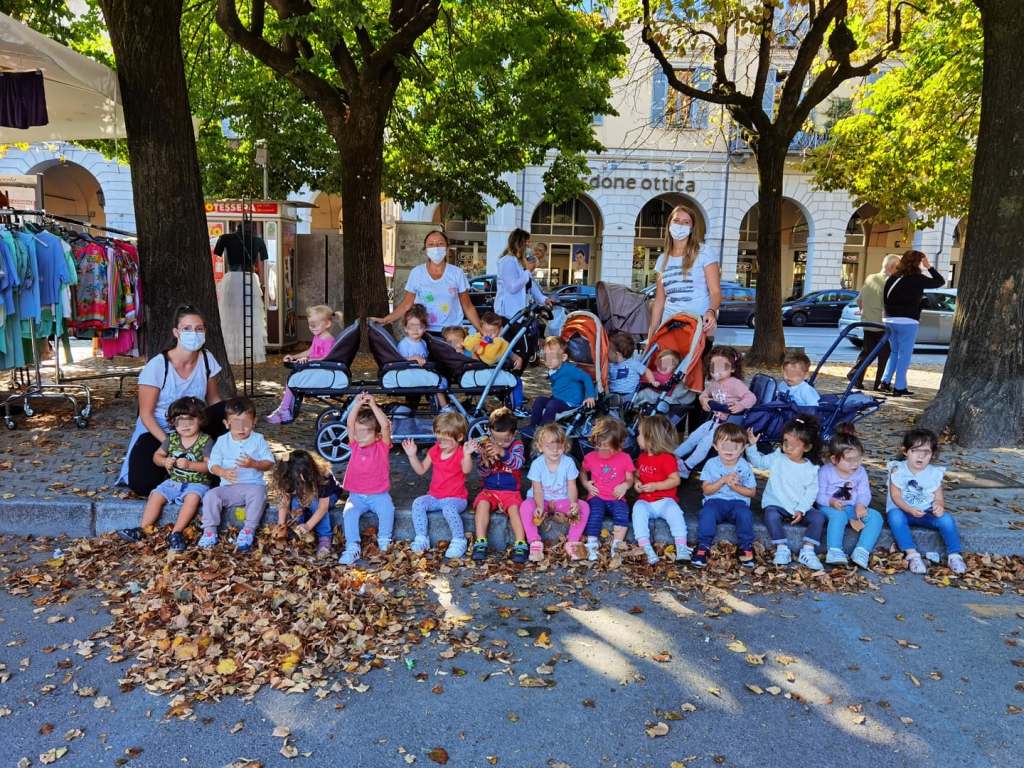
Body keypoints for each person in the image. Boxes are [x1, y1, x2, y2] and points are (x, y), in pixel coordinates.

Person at [118, 304, 225, 498]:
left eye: (199, 328)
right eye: (187, 329)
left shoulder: (207, 359)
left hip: (195, 426)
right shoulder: (158, 366)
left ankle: (216, 468)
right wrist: (170, 443)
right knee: (142, 485)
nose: (194, 333)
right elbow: (146, 414)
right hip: (160, 431)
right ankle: (174, 475)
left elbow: (214, 399)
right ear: (176, 332)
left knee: (227, 410)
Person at [116, 396, 213, 553]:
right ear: (173, 422)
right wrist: (164, 461)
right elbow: (157, 456)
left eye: (190, 420)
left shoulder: (205, 441)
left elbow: (210, 466)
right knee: (156, 495)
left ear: (200, 420)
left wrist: (191, 465)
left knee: (192, 498)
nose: (185, 425)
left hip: (197, 482)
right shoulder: (172, 439)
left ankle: (177, 532)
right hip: (174, 481)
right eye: (179, 421)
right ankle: (143, 529)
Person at [745, 416, 824, 570]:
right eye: (785, 442)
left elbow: (811, 492)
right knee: (770, 514)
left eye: (793, 446)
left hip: (799, 506)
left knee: (819, 517)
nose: (787, 448)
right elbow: (759, 463)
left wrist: (801, 509)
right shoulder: (777, 458)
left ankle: (808, 550)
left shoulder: (811, 468)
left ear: (807, 448)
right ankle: (781, 548)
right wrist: (752, 446)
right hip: (777, 504)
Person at [199, 397, 276, 552]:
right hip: (229, 488)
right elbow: (212, 464)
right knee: (211, 495)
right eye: (236, 424)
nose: (241, 429)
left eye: (246, 423)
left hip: (252, 486)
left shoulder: (258, 439)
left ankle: (248, 530)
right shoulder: (222, 441)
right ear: (226, 424)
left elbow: (270, 463)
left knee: (259, 494)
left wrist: (254, 464)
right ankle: (209, 531)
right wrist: (222, 472)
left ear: (254, 422)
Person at [886, 428, 966, 575]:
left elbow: (938, 497)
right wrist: (909, 509)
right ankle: (912, 554)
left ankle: (954, 555)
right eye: (915, 450)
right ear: (905, 451)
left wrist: (939, 505)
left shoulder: (933, 473)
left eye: (926, 452)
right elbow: (895, 496)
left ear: (933, 454)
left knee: (946, 520)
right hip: (903, 511)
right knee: (894, 517)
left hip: (926, 513)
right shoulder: (897, 470)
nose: (920, 456)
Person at [370, 230, 482, 335]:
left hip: (452, 333)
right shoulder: (416, 273)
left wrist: (481, 330)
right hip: (423, 332)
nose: (436, 248)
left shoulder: (457, 273)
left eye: (440, 244)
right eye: (431, 244)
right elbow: (406, 304)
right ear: (426, 249)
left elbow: (468, 306)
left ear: (447, 247)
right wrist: (386, 320)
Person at [646, 203, 722, 350]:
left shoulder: (704, 252)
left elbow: (715, 292)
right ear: (669, 224)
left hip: (697, 325)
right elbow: (660, 301)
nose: (680, 225)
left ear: (692, 228)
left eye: (686, 222)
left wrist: (711, 311)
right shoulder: (662, 259)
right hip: (669, 326)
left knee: (694, 364)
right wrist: (652, 334)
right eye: (676, 221)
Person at [674, 346, 756, 478]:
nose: (717, 371)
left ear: (732, 369)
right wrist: (704, 400)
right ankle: (673, 456)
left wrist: (741, 405)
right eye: (714, 367)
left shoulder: (735, 384)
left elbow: (751, 397)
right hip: (714, 421)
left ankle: (687, 466)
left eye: (722, 367)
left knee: (705, 443)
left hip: (727, 425)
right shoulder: (714, 383)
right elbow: (704, 394)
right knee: (693, 437)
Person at [403, 412, 472, 559]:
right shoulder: (435, 450)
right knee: (418, 503)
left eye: (446, 440)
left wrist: (467, 455)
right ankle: (422, 538)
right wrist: (412, 455)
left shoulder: (461, 453)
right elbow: (421, 470)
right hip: (435, 496)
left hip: (456, 498)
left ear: (460, 437)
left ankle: (459, 540)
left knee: (448, 509)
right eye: (439, 439)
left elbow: (467, 470)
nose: (442, 443)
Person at [519, 423, 590, 562]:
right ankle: (534, 542)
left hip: (562, 500)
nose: (555, 450)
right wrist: (539, 506)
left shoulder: (568, 462)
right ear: (540, 447)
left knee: (584, 506)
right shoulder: (537, 464)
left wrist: (573, 503)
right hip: (541, 500)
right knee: (526, 506)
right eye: (549, 446)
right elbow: (537, 489)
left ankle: (572, 541)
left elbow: (571, 486)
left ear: (565, 446)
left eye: (559, 446)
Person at [338, 394, 395, 566]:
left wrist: (373, 405)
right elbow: (349, 424)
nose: (359, 436)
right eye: (357, 432)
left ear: (377, 435)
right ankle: (352, 546)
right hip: (356, 496)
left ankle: (384, 540)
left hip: (379, 495)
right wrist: (356, 404)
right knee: (349, 513)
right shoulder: (355, 444)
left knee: (387, 510)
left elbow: (385, 425)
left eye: (365, 432)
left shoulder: (382, 446)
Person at [816, 423, 883, 569]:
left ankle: (862, 550)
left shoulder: (861, 472)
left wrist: (861, 504)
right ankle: (834, 550)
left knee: (876, 517)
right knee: (839, 516)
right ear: (834, 459)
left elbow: (864, 492)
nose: (855, 464)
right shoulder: (825, 471)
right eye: (849, 460)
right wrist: (831, 502)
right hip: (829, 508)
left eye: (858, 459)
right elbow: (819, 495)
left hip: (852, 507)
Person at [466, 408, 529, 564]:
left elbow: (518, 463)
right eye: (496, 439)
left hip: (511, 491)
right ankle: (481, 541)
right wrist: (485, 462)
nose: (500, 443)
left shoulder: (517, 446)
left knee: (515, 510)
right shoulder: (487, 445)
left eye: (505, 440)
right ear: (490, 433)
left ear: (513, 434)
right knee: (482, 504)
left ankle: (520, 543)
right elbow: (483, 473)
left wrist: (502, 452)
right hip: (490, 490)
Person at [880, 250, 945, 397]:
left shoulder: (893, 278)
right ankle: (899, 387)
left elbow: (885, 298)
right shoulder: (918, 279)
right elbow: (940, 281)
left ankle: (885, 381)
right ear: (918, 263)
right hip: (907, 320)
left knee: (894, 352)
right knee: (904, 355)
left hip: (889, 319)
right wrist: (929, 267)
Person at [692, 423, 757, 568]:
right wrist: (722, 480)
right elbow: (706, 490)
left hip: (738, 502)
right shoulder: (711, 464)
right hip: (715, 501)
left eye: (735, 446)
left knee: (745, 514)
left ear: (743, 448)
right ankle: (703, 546)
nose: (730, 450)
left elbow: (752, 492)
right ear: (715, 446)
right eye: (725, 446)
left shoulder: (744, 466)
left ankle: (746, 546)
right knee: (707, 513)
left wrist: (735, 486)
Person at [267, 304, 342, 424]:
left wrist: (309, 361)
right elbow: (310, 352)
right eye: (310, 325)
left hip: (322, 372)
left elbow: (326, 358)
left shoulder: (328, 340)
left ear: (327, 324)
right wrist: (294, 357)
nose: (312, 328)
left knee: (293, 380)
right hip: (314, 369)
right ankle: (284, 410)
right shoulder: (317, 337)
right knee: (292, 379)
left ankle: (284, 410)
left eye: (315, 325)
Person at [631, 414, 690, 565]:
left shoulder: (667, 458)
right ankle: (645, 547)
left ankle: (682, 546)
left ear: (650, 438)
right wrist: (637, 482)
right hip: (645, 500)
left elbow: (675, 480)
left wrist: (655, 486)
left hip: (665, 500)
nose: (637, 437)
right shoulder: (642, 457)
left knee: (676, 513)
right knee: (637, 511)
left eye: (640, 434)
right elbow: (637, 474)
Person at [581, 417, 635, 559]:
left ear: (619, 445)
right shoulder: (590, 457)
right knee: (594, 513)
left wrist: (625, 485)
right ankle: (592, 543)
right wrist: (586, 484)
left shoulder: (625, 458)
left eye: (608, 447)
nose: (604, 450)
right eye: (600, 446)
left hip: (617, 497)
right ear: (595, 442)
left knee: (622, 514)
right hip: (597, 496)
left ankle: (617, 545)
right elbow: (582, 472)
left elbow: (630, 479)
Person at [214, 222, 269, 365]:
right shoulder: (258, 240)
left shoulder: (225, 238)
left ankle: (234, 352)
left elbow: (217, 253)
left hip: (233, 278)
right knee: (248, 316)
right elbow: (264, 258)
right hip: (248, 279)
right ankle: (244, 352)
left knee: (231, 316)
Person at [273, 450, 342, 559]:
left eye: (299, 481)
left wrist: (308, 525)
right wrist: (281, 524)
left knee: (314, 503)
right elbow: (284, 500)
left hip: (328, 496)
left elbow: (323, 508)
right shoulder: (288, 475)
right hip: (304, 494)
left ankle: (324, 537)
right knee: (295, 503)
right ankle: (299, 533)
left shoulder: (323, 477)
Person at [847, 254, 900, 390]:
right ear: (893, 267)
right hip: (882, 325)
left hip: (867, 322)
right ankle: (880, 383)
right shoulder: (891, 282)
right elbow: (889, 305)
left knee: (867, 352)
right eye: (899, 267)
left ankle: (856, 376)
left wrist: (864, 312)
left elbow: (859, 300)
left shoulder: (871, 278)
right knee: (885, 354)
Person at [530, 336, 596, 426]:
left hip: (570, 402)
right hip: (558, 399)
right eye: (546, 357)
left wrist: (590, 396)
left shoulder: (569, 370)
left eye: (552, 357)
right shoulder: (553, 369)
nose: (548, 361)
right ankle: (533, 425)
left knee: (552, 405)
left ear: (564, 357)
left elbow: (586, 377)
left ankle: (544, 428)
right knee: (539, 401)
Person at [494, 228, 549, 321]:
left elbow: (529, 284)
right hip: (508, 315)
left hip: (520, 313)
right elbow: (513, 287)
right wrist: (528, 271)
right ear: (519, 243)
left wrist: (544, 299)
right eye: (527, 242)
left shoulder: (519, 262)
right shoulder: (508, 261)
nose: (529, 245)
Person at [607, 331, 654, 399]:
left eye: (608, 351)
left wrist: (652, 381)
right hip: (614, 394)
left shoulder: (633, 363)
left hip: (630, 393)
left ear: (617, 354)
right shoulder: (610, 365)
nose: (606, 353)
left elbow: (646, 371)